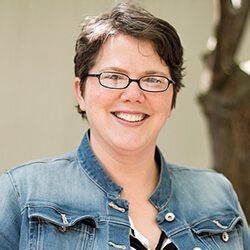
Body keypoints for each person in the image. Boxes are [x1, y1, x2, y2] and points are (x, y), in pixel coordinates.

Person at [0, 2, 249, 250]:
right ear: (80, 92)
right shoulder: (22, 194)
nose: (133, 94)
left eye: (152, 79)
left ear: (173, 97)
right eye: (114, 77)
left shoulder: (217, 195)